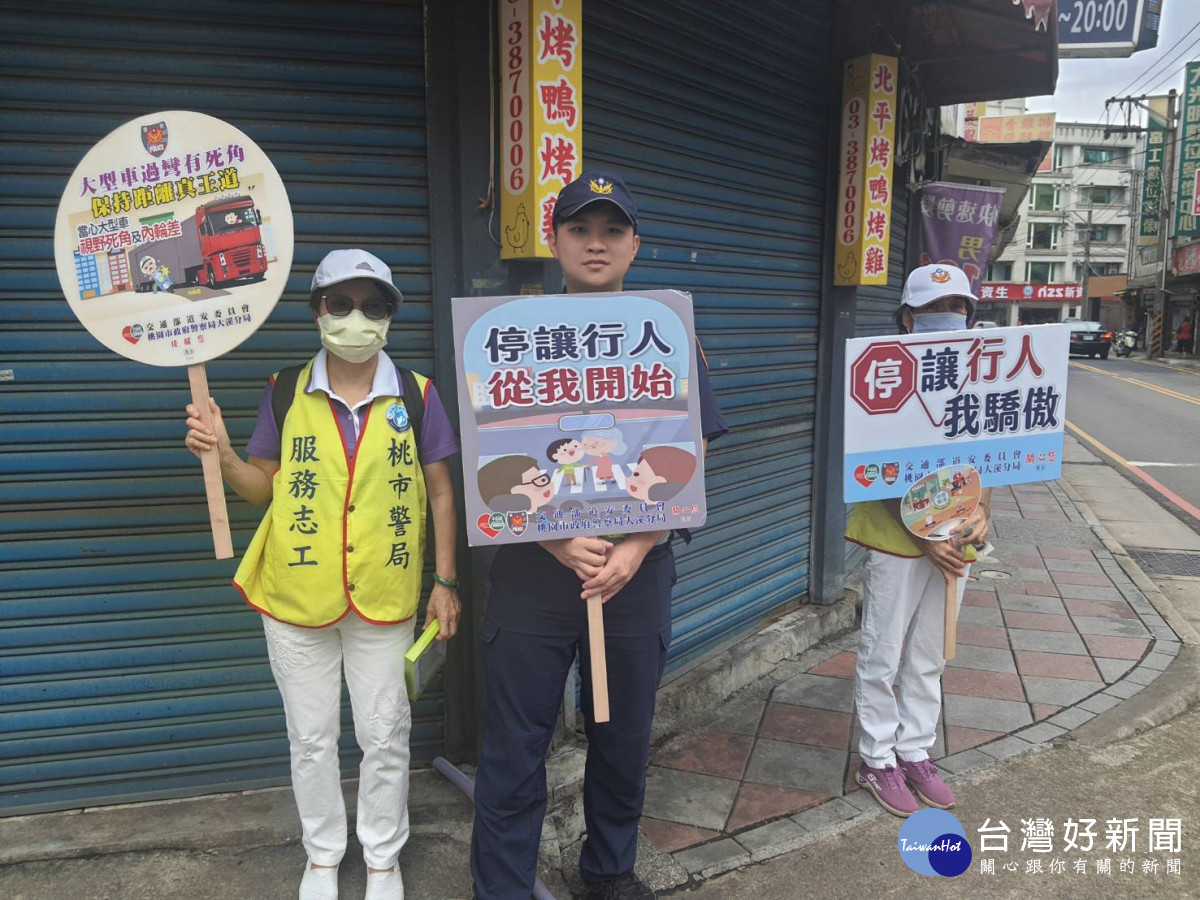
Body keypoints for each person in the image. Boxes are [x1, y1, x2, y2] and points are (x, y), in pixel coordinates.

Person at [470, 172, 727, 900]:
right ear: (553, 241)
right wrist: (554, 539)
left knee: (622, 736)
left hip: (634, 573)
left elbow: (693, 451)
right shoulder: (508, 338)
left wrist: (637, 548)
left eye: (612, 231)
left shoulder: (669, 334)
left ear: (634, 246)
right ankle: (502, 888)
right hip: (532, 574)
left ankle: (609, 872)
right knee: (517, 743)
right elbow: (495, 459)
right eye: (580, 229)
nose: (595, 243)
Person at [184, 249, 462, 900]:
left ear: (390, 316)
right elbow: (261, 489)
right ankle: (323, 854)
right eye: (341, 303)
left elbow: (442, 492)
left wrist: (444, 582)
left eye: (373, 305)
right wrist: (222, 451)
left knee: (384, 736)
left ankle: (383, 859)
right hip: (296, 599)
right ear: (317, 311)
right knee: (310, 739)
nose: (356, 318)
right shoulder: (284, 390)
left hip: (385, 599)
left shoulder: (419, 396)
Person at [844, 264, 992, 818]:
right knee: (882, 651)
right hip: (893, 537)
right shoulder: (878, 373)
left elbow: (992, 457)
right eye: (932, 310)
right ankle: (877, 758)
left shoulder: (984, 375)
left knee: (932, 651)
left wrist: (982, 515)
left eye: (956, 306)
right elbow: (867, 465)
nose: (945, 318)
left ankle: (916, 751)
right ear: (907, 317)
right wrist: (921, 531)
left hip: (956, 537)